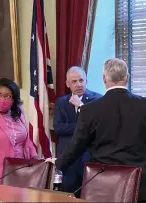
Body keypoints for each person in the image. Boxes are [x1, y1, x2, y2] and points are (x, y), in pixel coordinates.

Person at [51, 58, 146, 202]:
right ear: (127, 77)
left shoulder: (89, 110)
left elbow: (76, 146)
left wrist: (57, 163)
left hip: (103, 182)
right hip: (140, 181)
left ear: (104, 78)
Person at [53, 66, 102, 196]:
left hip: (89, 158)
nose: (78, 84)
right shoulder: (61, 102)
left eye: (81, 80)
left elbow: (97, 127)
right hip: (68, 160)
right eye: (74, 81)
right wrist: (82, 127)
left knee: (90, 196)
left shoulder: (98, 100)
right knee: (68, 196)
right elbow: (58, 128)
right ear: (67, 84)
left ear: (86, 81)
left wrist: (81, 107)